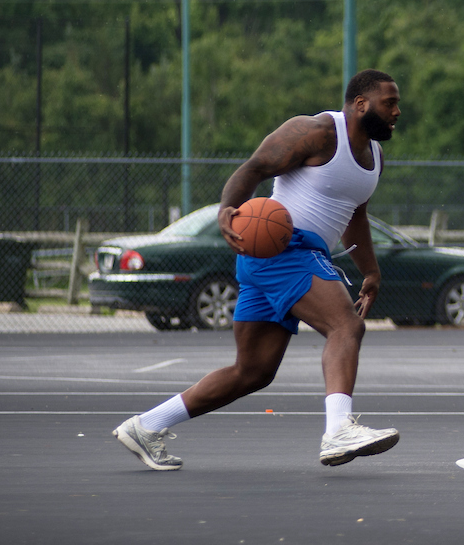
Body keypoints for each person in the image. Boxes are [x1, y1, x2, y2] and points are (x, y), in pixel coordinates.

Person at [113, 69, 403, 470]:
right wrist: (227, 212)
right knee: (346, 326)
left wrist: (370, 271)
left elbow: (356, 213)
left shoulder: (375, 158)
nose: (397, 111)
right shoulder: (317, 132)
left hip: (276, 261)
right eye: (389, 102)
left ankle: (147, 426)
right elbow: (253, 169)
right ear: (360, 104)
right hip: (285, 247)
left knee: (252, 371)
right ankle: (338, 430)